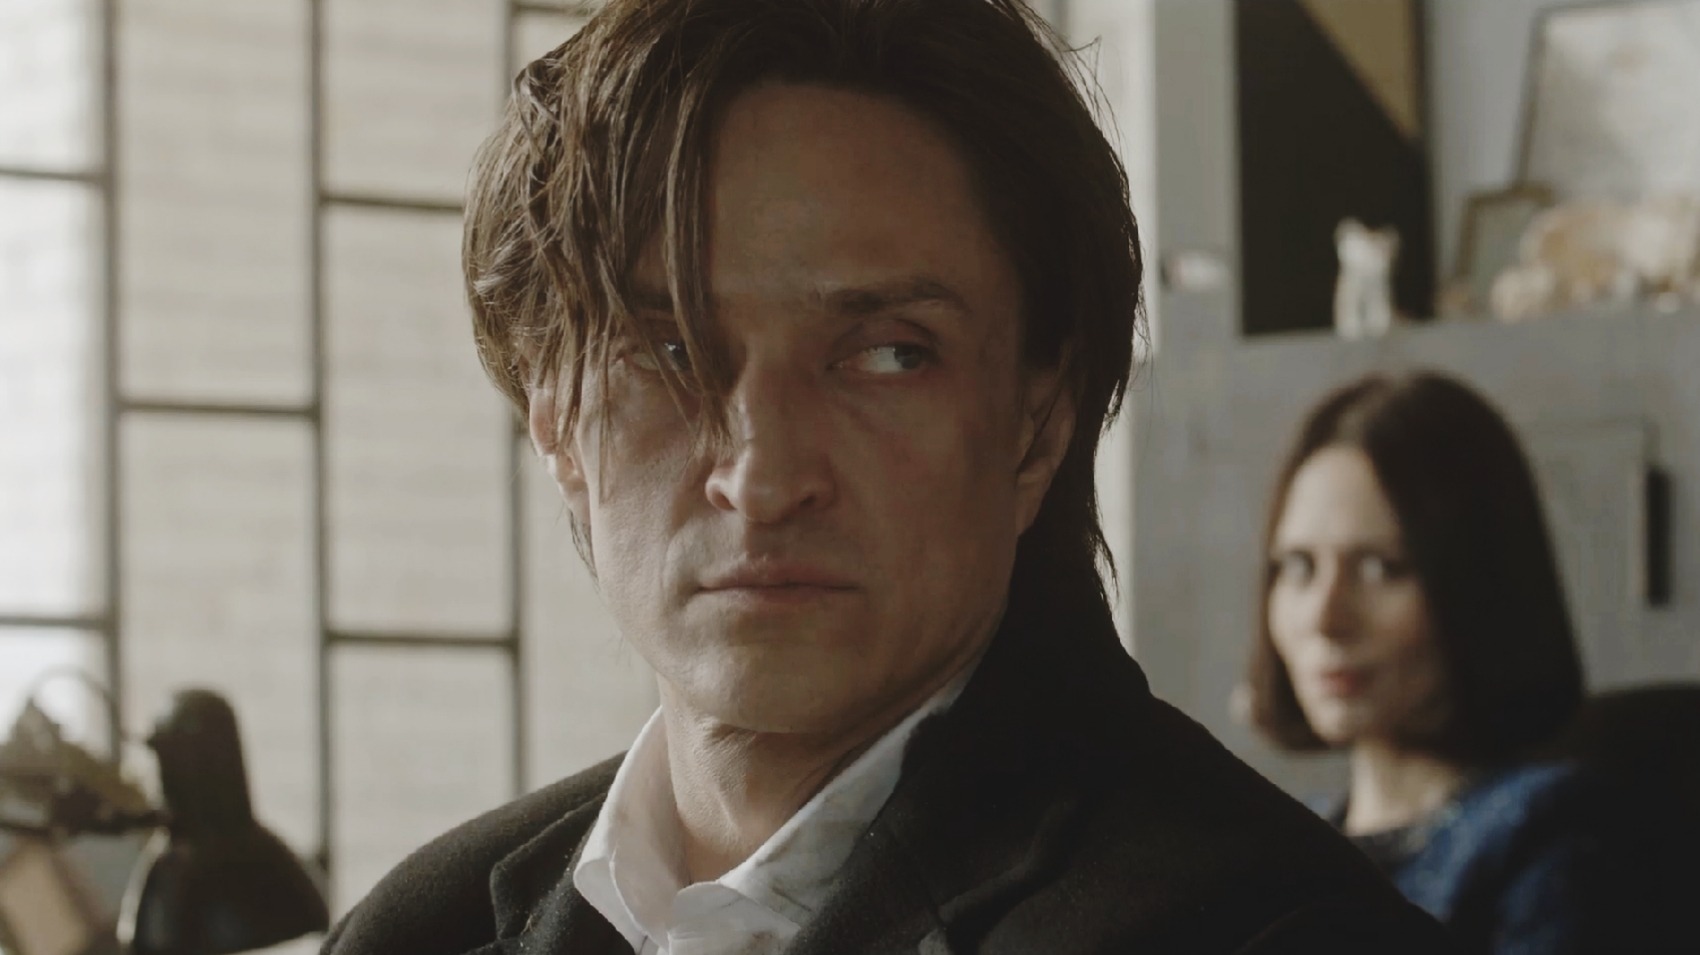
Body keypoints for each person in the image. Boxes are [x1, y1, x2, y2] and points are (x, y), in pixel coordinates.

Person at [322, 2, 1453, 952]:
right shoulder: (424, 928)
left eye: (887, 354)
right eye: (669, 354)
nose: (763, 477)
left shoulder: (1271, 926)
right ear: (555, 424)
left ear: (1035, 424)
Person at [1245, 370, 1681, 953]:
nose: (1326, 618)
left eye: (1380, 568)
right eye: (1300, 567)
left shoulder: (1546, 832)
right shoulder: (1283, 842)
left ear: (1477, 584)